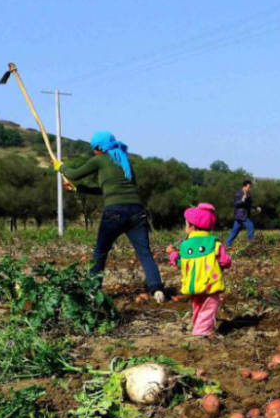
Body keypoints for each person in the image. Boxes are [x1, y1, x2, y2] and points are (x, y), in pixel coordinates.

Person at [54, 131, 164, 302]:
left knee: (100, 252)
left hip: (114, 212)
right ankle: (157, 291)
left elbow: (74, 174)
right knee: (144, 253)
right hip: (137, 211)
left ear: (99, 147)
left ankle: (92, 292)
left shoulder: (99, 159)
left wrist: (60, 166)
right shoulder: (124, 161)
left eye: (94, 148)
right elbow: (108, 189)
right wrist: (78, 188)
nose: (94, 152)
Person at [166, 203, 231, 337]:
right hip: (210, 284)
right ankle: (201, 332)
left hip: (192, 285)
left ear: (192, 227)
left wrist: (172, 254)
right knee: (209, 308)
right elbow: (225, 261)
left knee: (197, 307)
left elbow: (179, 263)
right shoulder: (215, 243)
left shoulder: (184, 246)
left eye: (186, 225)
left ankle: (198, 327)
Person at [226, 180, 260, 248]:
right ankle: (251, 245)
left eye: (250, 187)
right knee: (250, 226)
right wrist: (242, 200)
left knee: (235, 231)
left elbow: (250, 204)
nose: (250, 189)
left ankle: (227, 245)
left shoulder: (248, 195)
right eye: (249, 187)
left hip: (242, 216)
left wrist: (256, 207)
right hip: (241, 215)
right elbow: (236, 204)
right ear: (244, 186)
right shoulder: (238, 194)